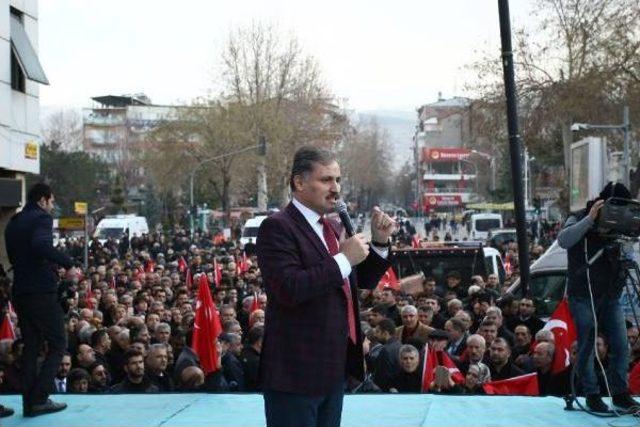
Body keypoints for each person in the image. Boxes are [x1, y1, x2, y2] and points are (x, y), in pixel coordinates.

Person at [257, 146, 394, 427]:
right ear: (299, 182)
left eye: (339, 180)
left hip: (332, 371)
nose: (336, 189)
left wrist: (379, 242)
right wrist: (344, 258)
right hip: (295, 374)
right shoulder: (277, 227)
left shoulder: (329, 227)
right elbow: (289, 288)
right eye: (326, 180)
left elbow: (357, 282)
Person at [558, 182, 639, 412]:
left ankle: (620, 394)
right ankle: (592, 394)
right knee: (587, 343)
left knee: (621, 345)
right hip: (583, 296)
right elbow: (564, 241)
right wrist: (590, 219)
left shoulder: (621, 228)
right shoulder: (578, 217)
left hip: (610, 296)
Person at [4, 182, 75, 417]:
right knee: (58, 343)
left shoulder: (13, 222)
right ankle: (41, 397)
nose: (52, 206)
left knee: (32, 347)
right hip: (41, 291)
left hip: (21, 290)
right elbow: (40, 245)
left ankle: (29, 403)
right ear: (43, 200)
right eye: (52, 201)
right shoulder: (41, 218)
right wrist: (68, 262)